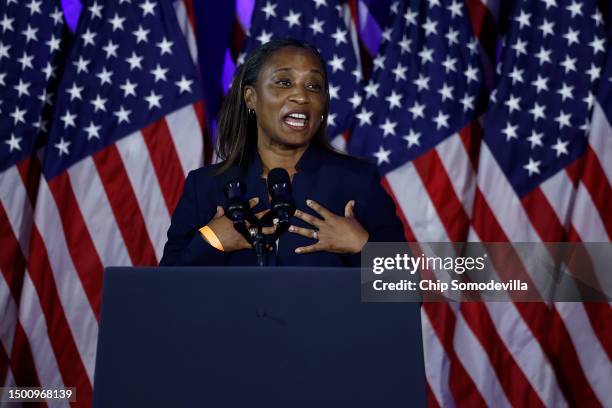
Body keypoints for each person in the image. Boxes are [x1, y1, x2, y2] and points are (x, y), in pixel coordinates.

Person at [160, 38, 405, 267]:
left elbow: (409, 295)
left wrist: (362, 246)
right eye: (284, 82)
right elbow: (163, 295)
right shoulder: (205, 186)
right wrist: (211, 243)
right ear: (251, 98)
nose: (301, 96)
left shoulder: (358, 183)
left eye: (314, 86)